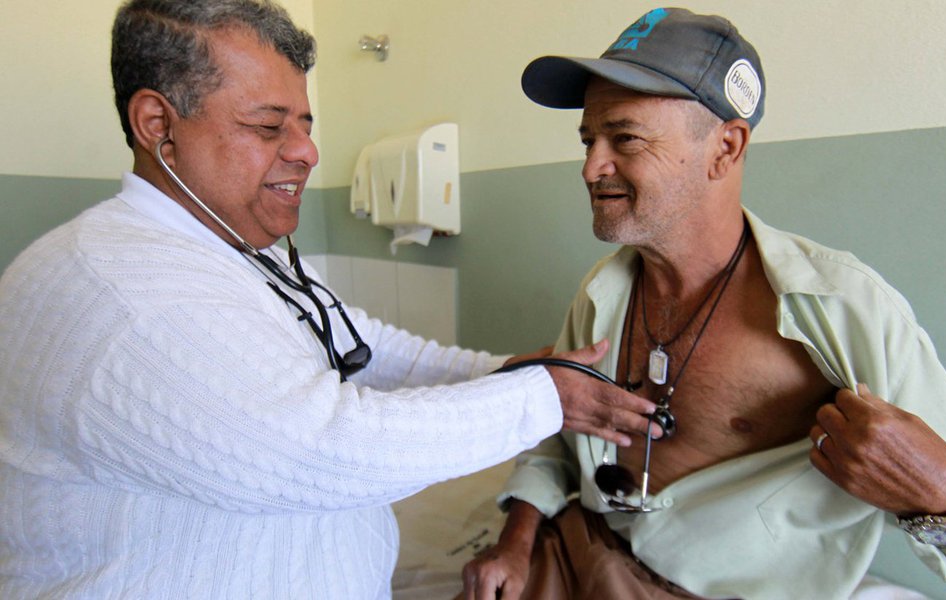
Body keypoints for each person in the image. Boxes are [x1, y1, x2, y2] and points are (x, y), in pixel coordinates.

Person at [0, 1, 660, 598]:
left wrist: (504, 370)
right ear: (156, 124)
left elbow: (354, 345)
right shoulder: (124, 293)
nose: (307, 151)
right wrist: (542, 396)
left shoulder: (228, 251)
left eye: (305, 124)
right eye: (268, 127)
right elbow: (322, 450)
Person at [461, 7, 946, 600]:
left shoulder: (837, 310)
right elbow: (560, 429)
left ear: (725, 147)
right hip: (582, 545)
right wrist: (515, 543)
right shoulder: (605, 290)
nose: (591, 167)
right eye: (588, 140)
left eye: (623, 137)